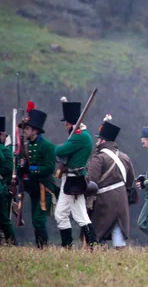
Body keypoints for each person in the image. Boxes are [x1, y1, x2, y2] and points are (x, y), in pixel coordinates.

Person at [54, 98, 98, 248]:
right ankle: (67, 246)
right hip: (69, 180)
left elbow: (59, 150)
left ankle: (94, 244)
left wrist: (60, 146)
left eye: (65, 122)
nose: (64, 125)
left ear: (68, 123)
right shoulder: (79, 135)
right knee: (60, 214)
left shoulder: (79, 136)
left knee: (81, 217)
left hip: (74, 181)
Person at [87, 115, 135, 249]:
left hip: (104, 201)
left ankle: (100, 254)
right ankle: (119, 258)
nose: (96, 142)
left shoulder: (99, 158)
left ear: (102, 141)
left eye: (98, 139)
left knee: (97, 231)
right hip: (122, 199)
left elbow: (91, 182)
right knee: (117, 230)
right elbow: (130, 181)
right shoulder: (125, 157)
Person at [17, 103, 57, 248]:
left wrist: (30, 169)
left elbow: (50, 168)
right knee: (35, 220)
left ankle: (43, 248)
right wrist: (21, 169)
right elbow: (20, 167)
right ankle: (40, 247)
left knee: (39, 220)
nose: (25, 131)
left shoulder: (47, 146)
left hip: (44, 187)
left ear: (35, 130)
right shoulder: (25, 147)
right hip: (32, 188)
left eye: (27, 128)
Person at [0, 116, 17, 246]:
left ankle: (12, 244)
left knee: (4, 220)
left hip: (2, 189)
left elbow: (7, 171)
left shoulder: (5, 151)